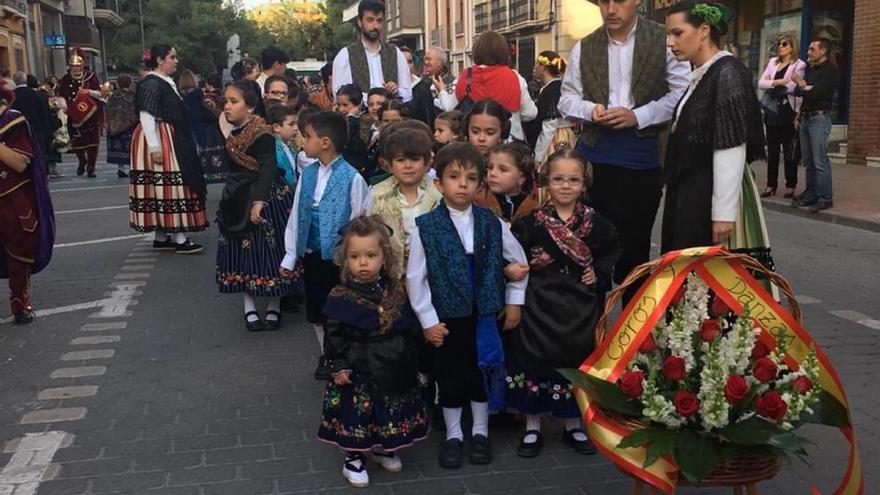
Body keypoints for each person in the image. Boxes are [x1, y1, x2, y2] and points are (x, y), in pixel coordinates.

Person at [406, 142, 528, 469]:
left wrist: (514, 301)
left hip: (484, 314)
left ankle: (481, 432)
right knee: (450, 376)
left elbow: (518, 261)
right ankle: (454, 435)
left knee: (480, 373)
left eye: (471, 178)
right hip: (447, 317)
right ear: (438, 183)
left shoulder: (491, 222)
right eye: (454, 176)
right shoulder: (426, 228)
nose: (463, 184)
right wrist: (428, 320)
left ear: (480, 184)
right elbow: (416, 278)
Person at [559, 0, 689, 303]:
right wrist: (591, 110)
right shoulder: (584, 46)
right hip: (594, 160)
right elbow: (567, 99)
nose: (611, 9)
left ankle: (634, 335)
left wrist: (639, 115)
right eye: (604, 2)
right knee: (589, 247)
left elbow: (681, 93)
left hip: (641, 161)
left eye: (619, 1)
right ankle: (592, 332)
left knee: (635, 250)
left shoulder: (663, 39)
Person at [506, 149, 619, 457]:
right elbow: (512, 255)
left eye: (573, 179)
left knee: (574, 360)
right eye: (558, 179)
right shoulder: (530, 223)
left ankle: (573, 423)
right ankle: (532, 425)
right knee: (534, 360)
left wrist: (597, 273)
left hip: (579, 307)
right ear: (546, 181)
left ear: (584, 184)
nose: (565, 186)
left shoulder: (597, 223)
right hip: (538, 304)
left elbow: (611, 250)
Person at [318, 215, 429, 488]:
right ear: (346, 260)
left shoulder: (394, 290)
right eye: (355, 256)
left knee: (388, 410)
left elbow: (407, 324)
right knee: (358, 413)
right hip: (359, 367)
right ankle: (353, 458)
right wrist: (339, 365)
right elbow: (333, 337)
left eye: (370, 255)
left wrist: (416, 358)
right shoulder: (340, 296)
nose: (363, 262)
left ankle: (382, 447)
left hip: (393, 362)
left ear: (384, 257)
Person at [661, 2, 767, 256]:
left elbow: (730, 146)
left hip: (708, 195)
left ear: (703, 30)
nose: (670, 42)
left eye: (677, 33)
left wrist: (723, 214)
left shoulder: (727, 73)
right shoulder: (702, 73)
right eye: (668, 35)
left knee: (705, 274)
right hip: (691, 191)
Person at [279, 111, 372, 380]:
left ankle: (340, 357)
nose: (302, 141)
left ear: (325, 142)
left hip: (339, 260)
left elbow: (359, 218)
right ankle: (326, 353)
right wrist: (290, 255)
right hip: (312, 254)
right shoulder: (307, 175)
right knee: (318, 310)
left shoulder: (352, 177)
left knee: (339, 311)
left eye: (307, 136)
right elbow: (297, 214)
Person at [216, 81, 298, 331]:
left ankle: (274, 305)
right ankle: (249, 307)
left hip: (267, 198)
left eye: (233, 102)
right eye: (226, 102)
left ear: (250, 107)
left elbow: (268, 167)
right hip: (236, 197)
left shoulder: (261, 133)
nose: (227, 107)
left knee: (270, 251)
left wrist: (259, 202)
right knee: (242, 253)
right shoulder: (234, 134)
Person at [130, 43, 208, 254]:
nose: (176, 61)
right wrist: (155, 146)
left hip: (167, 134)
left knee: (161, 185)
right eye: (172, 57)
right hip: (159, 135)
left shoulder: (164, 81)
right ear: (159, 60)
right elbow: (146, 114)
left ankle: (162, 235)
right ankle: (179, 238)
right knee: (172, 184)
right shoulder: (152, 83)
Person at [0, 82, 54, 324]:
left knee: (18, 256)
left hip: (12, 198)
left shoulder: (13, 120)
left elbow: (22, 163)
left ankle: (19, 303)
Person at [370, 124, 441, 276]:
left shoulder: (439, 196)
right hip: (392, 274)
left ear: (427, 162)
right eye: (401, 160)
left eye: (415, 159)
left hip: (433, 275)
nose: (408, 166)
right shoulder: (377, 196)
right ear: (389, 164)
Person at [446, 31, 537, 142]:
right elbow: (530, 113)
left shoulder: (465, 77)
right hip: (509, 143)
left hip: (473, 143)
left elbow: (451, 109)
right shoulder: (515, 77)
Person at [791, 38, 839, 213]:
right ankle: (811, 193)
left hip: (819, 119)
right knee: (808, 161)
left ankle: (825, 197)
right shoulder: (811, 69)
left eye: (812, 49)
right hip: (806, 117)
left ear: (823, 51)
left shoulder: (830, 71)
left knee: (820, 160)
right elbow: (800, 92)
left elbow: (817, 93)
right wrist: (799, 113)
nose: (808, 52)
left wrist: (803, 85)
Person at [332, 0, 412, 103]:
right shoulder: (346, 55)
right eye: (370, 20)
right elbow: (339, 95)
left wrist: (396, 90)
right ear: (360, 22)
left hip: (391, 117)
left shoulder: (395, 53)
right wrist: (372, 100)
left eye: (379, 21)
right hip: (360, 117)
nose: (375, 26)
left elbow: (408, 93)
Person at [758, 35, 806, 199]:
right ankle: (771, 185)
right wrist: (779, 82)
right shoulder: (773, 62)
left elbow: (793, 86)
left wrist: (774, 83)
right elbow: (761, 83)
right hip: (772, 111)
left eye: (784, 44)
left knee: (788, 151)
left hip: (788, 111)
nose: (780, 47)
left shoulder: (799, 64)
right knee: (772, 152)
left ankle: (790, 185)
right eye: (779, 44)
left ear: (792, 47)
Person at [58, 48, 104, 177]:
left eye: (78, 66)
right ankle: (82, 161)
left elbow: (100, 94)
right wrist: (64, 106)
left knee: (92, 143)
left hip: (90, 115)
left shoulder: (91, 77)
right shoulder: (66, 79)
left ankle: (91, 166)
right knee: (77, 143)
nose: (75, 68)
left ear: (82, 65)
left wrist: (88, 92)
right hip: (74, 116)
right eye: (73, 66)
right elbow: (61, 95)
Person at [525, 52, 574, 165]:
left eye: (537, 63)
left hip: (555, 138)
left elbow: (550, 125)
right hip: (563, 134)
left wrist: (538, 156)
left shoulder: (551, 90)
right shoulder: (558, 87)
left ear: (544, 67)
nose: (534, 67)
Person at [478, 143, 538, 224]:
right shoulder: (478, 201)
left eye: (503, 169)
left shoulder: (533, 209)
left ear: (521, 177)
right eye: (490, 167)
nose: (492, 173)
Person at [11, 72, 52, 169]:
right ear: (26, 81)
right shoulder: (37, 95)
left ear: (14, 82)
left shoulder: (12, 96)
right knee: (39, 154)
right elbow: (44, 114)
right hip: (37, 129)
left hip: (18, 131)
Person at [409, 46, 455, 130]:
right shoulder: (421, 83)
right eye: (425, 59)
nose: (426, 62)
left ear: (440, 62)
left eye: (429, 59)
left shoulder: (452, 82)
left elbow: (450, 109)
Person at [105, 74, 138, 178]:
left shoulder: (113, 95)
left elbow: (108, 109)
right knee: (130, 148)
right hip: (129, 127)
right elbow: (135, 110)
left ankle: (121, 168)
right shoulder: (133, 95)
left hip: (114, 126)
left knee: (118, 147)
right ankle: (132, 168)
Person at [267, 103, 300, 188]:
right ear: (276, 127)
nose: (296, 128)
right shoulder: (273, 150)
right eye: (291, 124)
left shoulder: (290, 147)